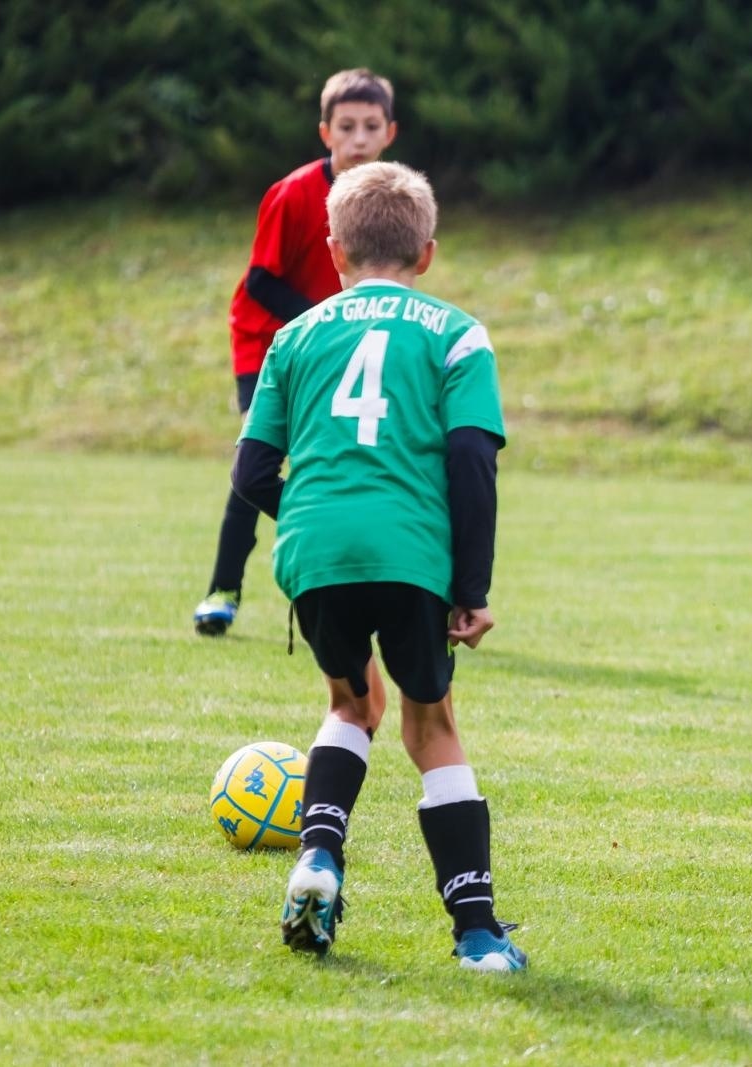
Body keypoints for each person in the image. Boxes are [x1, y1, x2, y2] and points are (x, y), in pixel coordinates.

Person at [231, 160, 525, 970]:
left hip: (315, 548)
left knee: (352, 700)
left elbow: (252, 473)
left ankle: (319, 856)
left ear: (332, 250)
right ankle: (476, 934)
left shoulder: (293, 336)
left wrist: (313, 526)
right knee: (430, 727)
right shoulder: (458, 333)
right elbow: (471, 459)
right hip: (411, 551)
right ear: (427, 252)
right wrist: (471, 589)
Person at [194, 68, 399, 636]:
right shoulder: (293, 195)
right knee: (254, 466)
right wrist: (327, 323)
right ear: (325, 131)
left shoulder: (388, 199)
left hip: (338, 349)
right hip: (267, 345)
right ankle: (223, 588)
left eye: (370, 126)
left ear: (390, 132)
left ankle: (358, 577)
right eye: (346, 126)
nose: (358, 138)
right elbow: (260, 282)